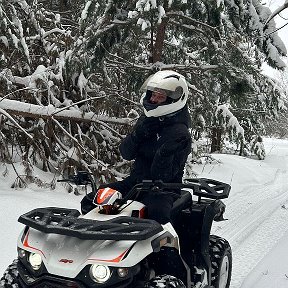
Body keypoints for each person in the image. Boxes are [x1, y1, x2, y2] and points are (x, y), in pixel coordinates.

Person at [81, 70, 192, 224]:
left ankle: (168, 248)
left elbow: (163, 176)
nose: (153, 99)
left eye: (160, 96)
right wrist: (138, 134)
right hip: (134, 183)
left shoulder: (180, 133)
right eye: (153, 95)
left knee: (157, 216)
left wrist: (164, 152)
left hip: (163, 190)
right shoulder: (147, 121)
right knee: (92, 200)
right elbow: (126, 153)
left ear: (173, 100)